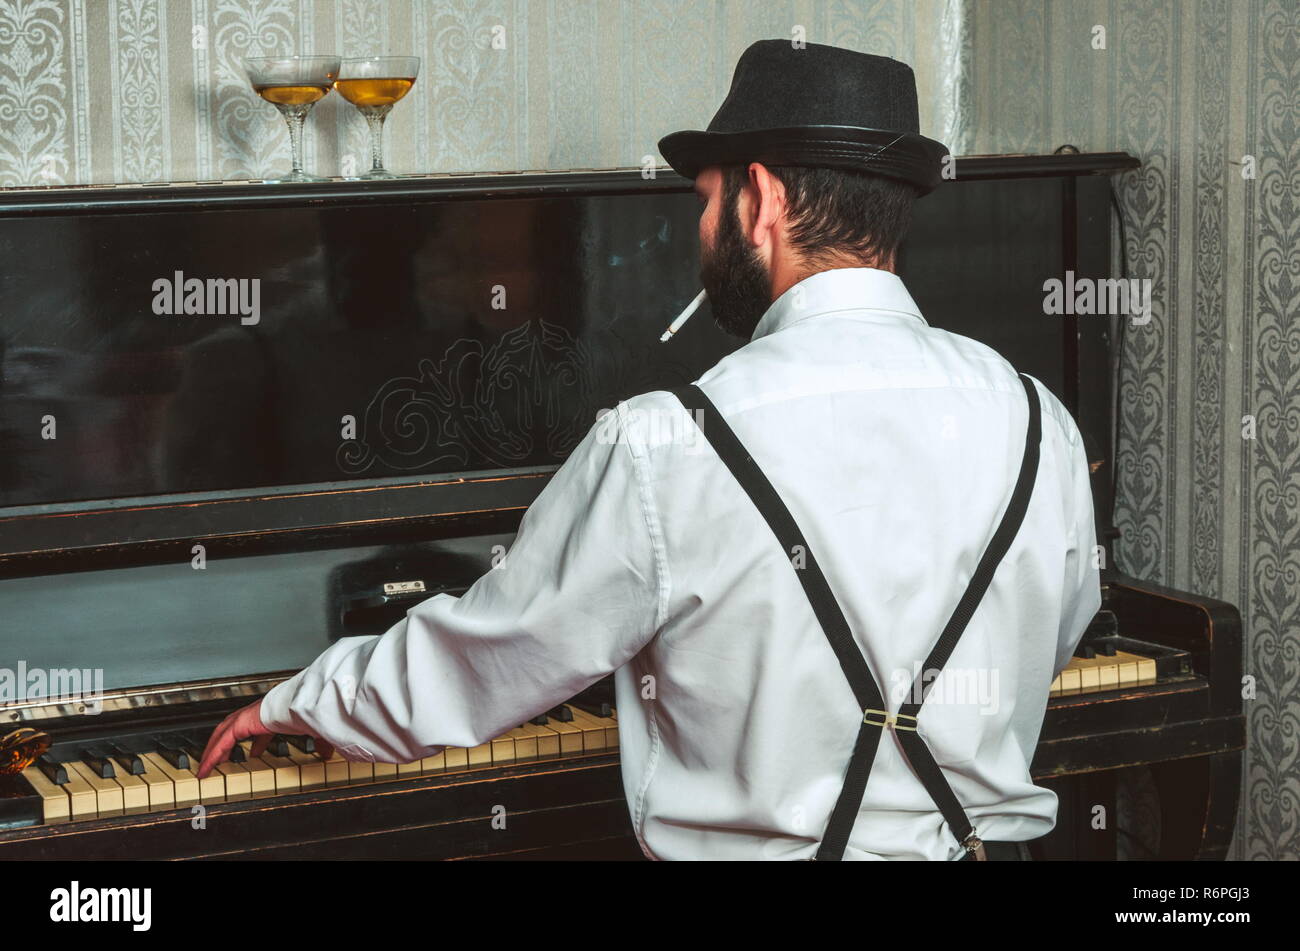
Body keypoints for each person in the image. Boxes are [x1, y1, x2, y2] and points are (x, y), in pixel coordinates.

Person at [199, 39, 1100, 861]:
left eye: (708, 203)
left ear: (765, 200)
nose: (700, 234)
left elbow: (483, 659)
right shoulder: (1038, 418)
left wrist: (298, 701)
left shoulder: (664, 441)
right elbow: (1052, 634)